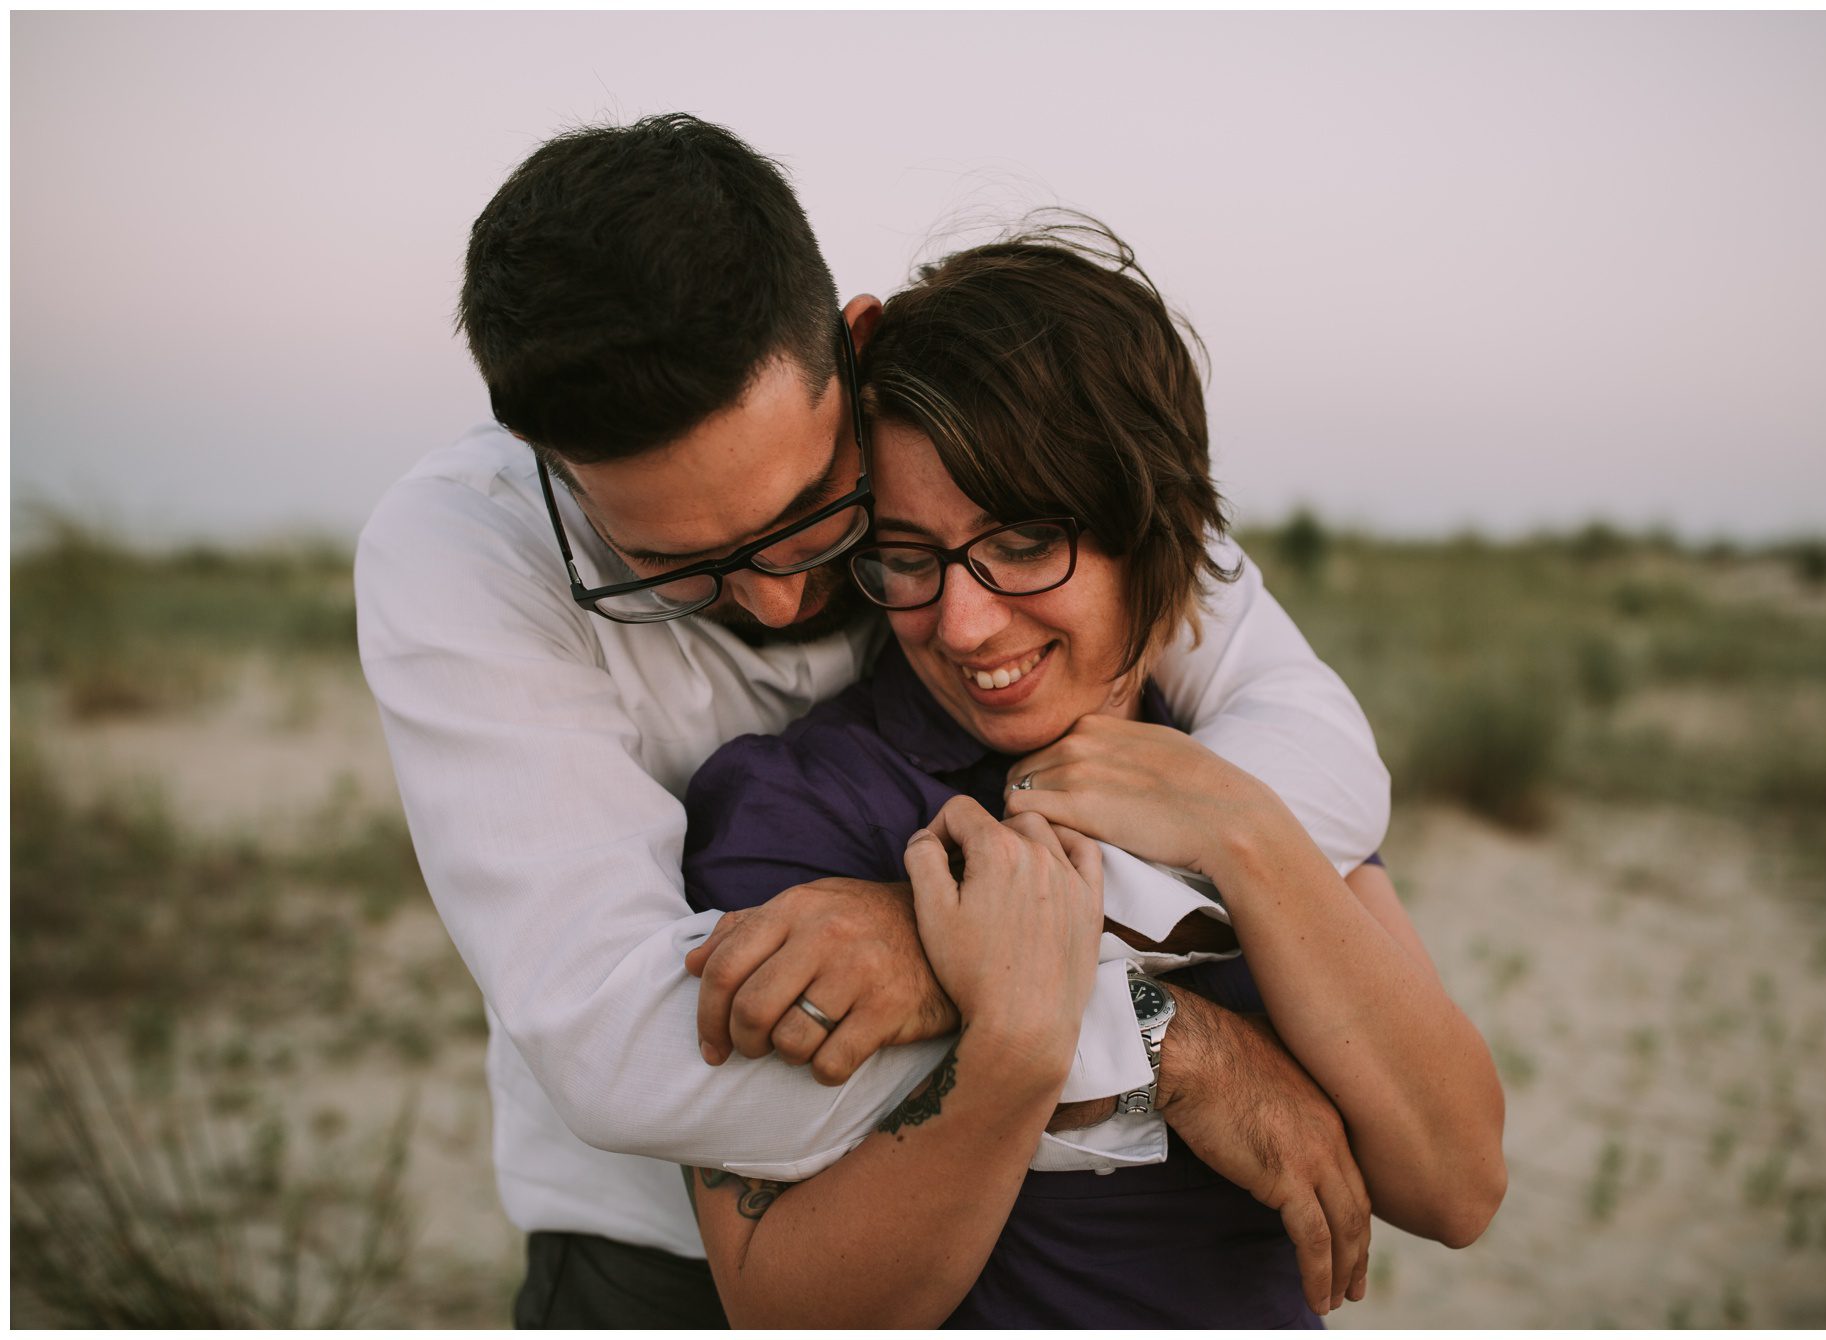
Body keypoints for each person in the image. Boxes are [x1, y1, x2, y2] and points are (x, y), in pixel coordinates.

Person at [355, 114, 1394, 1327]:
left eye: (812, 513)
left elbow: (1312, 756)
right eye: (667, 564)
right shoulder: (459, 552)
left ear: (854, 349)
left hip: (1004, 1226)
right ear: (547, 466)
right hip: (651, 1258)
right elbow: (620, 1047)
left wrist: (929, 937)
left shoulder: (976, 454)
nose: (778, 592)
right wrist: (1147, 1032)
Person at [674, 223, 1506, 1327]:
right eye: (908, 556)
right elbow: (786, 1306)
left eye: (1022, 543)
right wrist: (1159, 1036)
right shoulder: (806, 802)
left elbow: (1453, 1182)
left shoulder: (1233, 756)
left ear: (1151, 529)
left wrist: (1240, 829)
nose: (962, 624)